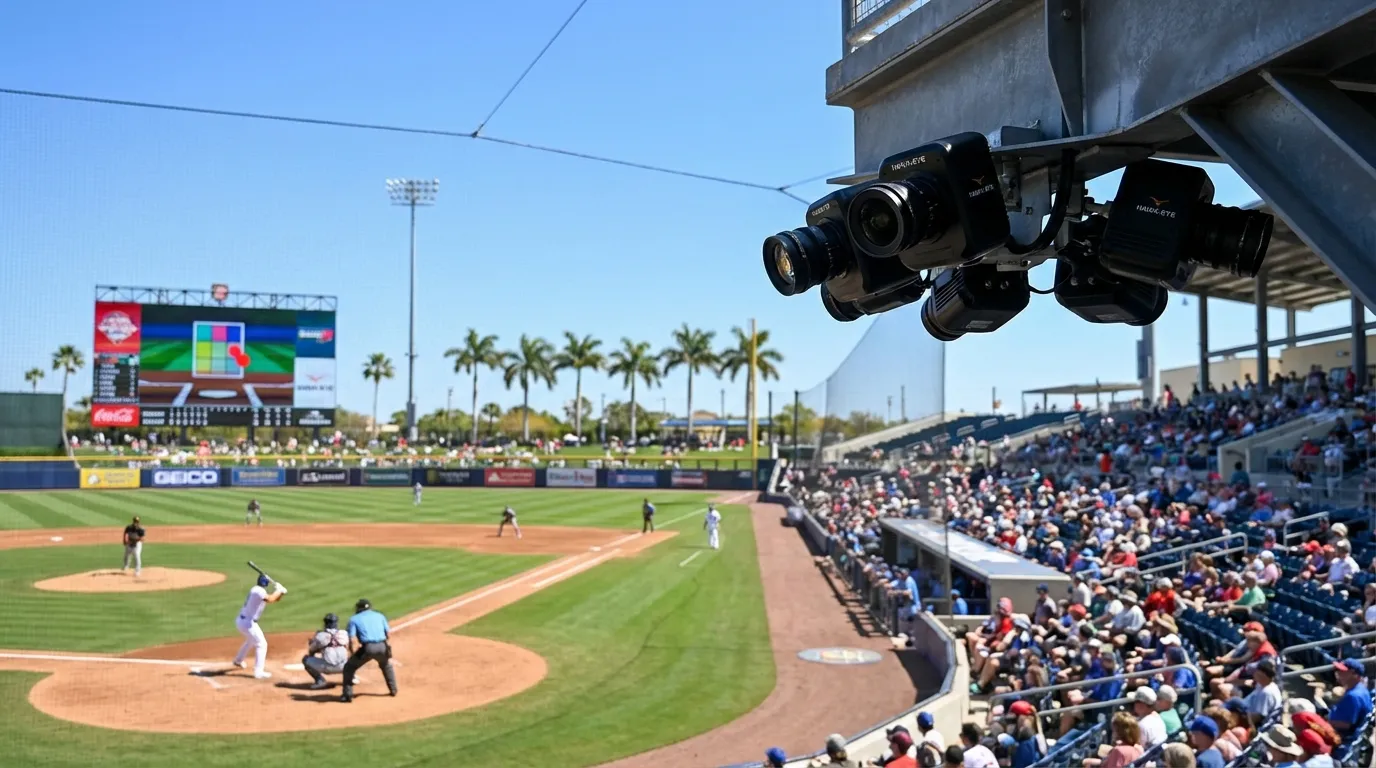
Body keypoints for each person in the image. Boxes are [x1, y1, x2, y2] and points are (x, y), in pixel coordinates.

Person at [340, 598, 397, 703]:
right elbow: (388, 635)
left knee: (349, 667)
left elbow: (352, 639)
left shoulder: (354, 619)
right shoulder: (380, 615)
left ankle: (347, 695)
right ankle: (393, 690)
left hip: (368, 648)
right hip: (383, 646)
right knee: (386, 665)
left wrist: (353, 654)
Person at [231, 573, 287, 679]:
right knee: (262, 644)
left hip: (244, 621)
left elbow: (274, 599)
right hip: (248, 623)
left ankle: (238, 660)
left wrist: (281, 593)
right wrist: (278, 590)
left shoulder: (258, 590)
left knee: (251, 641)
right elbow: (270, 599)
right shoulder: (258, 591)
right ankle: (259, 672)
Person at [302, 612, 351, 690]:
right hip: (345, 668)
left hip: (328, 668)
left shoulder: (320, 635)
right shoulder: (344, 633)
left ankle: (320, 681)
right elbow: (349, 648)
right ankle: (351, 677)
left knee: (305, 659)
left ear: (325, 623)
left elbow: (311, 651)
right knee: (353, 658)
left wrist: (316, 644)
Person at [1327, 657, 1372, 739]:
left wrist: (1324, 720)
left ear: (1354, 674)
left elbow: (1344, 725)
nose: (1338, 673)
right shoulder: (1361, 688)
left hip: (1343, 737)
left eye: (1342, 671)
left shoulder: (1353, 696)